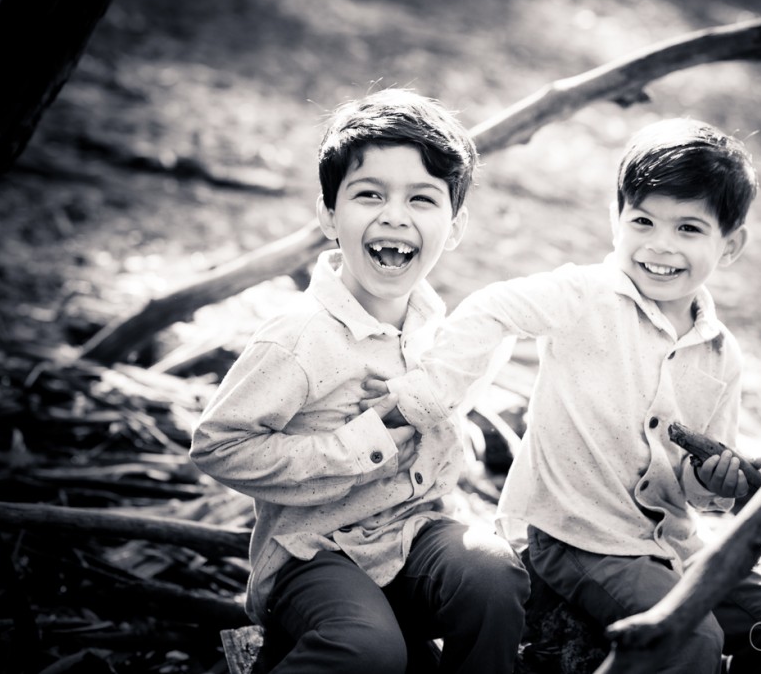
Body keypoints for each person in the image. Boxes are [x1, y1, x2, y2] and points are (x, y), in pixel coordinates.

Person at [367, 118, 761, 673]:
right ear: (615, 218)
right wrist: (431, 390)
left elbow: (699, 492)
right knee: (687, 640)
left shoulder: (721, 353)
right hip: (577, 537)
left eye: (689, 229)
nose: (660, 246)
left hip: (671, 544)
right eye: (642, 221)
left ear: (731, 244)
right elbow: (492, 306)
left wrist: (715, 483)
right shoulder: (587, 297)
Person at [190, 88, 529, 674]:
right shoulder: (299, 337)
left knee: (494, 578)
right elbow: (218, 447)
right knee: (368, 649)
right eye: (369, 194)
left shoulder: (434, 327)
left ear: (454, 226)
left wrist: (450, 434)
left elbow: (444, 414)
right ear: (327, 215)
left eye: (422, 199)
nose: (395, 215)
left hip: (412, 536)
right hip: (311, 556)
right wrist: (357, 444)